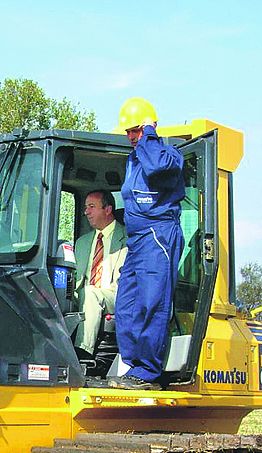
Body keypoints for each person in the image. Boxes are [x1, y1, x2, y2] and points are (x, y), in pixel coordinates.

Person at [108, 98, 185, 391]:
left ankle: (149, 370)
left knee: (153, 302)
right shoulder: (133, 158)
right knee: (126, 305)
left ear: (148, 127)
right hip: (137, 240)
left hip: (158, 236)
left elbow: (156, 169)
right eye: (128, 131)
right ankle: (134, 366)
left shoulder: (166, 154)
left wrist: (150, 134)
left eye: (135, 130)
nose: (131, 137)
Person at [74, 190, 127, 358]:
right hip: (84, 296)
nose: (86, 212)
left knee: (90, 293)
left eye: (91, 206)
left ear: (108, 209)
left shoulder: (128, 239)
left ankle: (83, 352)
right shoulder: (81, 243)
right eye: (85, 207)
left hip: (115, 296)